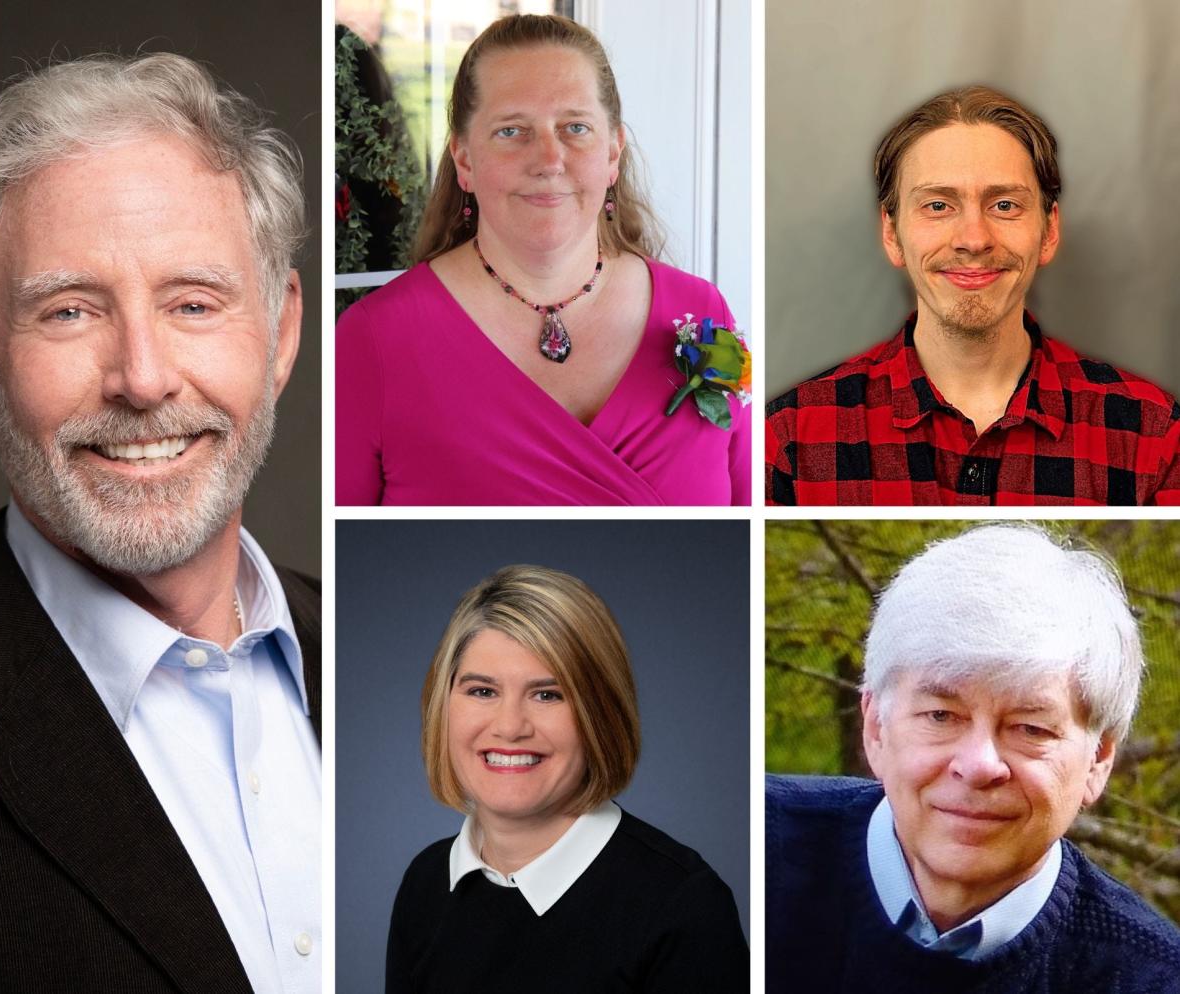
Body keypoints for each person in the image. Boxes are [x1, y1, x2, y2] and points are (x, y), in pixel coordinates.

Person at [0, 54, 319, 994]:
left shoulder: (401, 657)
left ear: (278, 336)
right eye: (69, 312)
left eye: (193, 302)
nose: (142, 378)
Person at [336, 14, 750, 506]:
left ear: (613, 152)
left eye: (575, 127)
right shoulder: (375, 340)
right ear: (465, 160)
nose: (549, 160)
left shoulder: (702, 309)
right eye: (512, 131)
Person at [767, 525, 1180, 992]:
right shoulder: (743, 855)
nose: (979, 764)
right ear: (876, 727)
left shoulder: (1152, 979)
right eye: (941, 715)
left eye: (1031, 728)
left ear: (1099, 760)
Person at [765, 85, 1180, 505]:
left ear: (1049, 231)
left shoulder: (1155, 437)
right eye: (938, 206)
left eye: (1004, 205)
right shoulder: (790, 437)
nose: (973, 240)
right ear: (892, 234)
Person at [387, 565, 748, 992]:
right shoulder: (425, 882)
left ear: (601, 713)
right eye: (483, 691)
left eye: (547, 695)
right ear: (441, 705)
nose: (510, 726)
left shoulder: (683, 908)